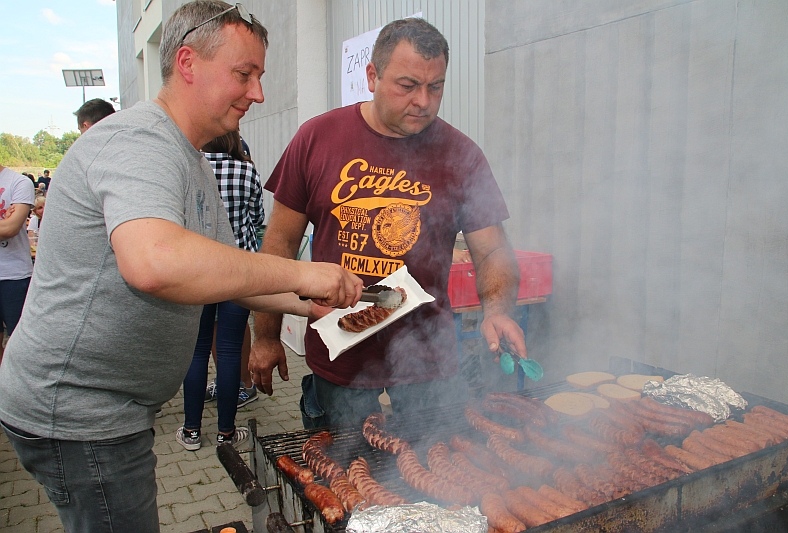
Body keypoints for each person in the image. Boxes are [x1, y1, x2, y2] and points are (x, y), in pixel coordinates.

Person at [0, 2, 362, 532]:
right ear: (188, 63)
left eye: (260, 77)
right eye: (245, 74)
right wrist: (304, 274)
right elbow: (154, 262)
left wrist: (326, 302)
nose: (257, 94)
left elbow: (236, 279)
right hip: (78, 414)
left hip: (113, 411)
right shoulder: (139, 140)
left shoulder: (191, 159)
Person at [250, 17, 524, 429]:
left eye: (436, 86)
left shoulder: (461, 154)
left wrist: (498, 309)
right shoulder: (317, 138)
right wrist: (267, 336)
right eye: (408, 85)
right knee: (343, 472)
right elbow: (280, 244)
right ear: (372, 76)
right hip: (339, 347)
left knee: (437, 466)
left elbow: (493, 250)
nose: (424, 102)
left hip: (428, 357)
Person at [178, 130, 264, 450]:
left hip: (197, 272)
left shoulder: (190, 167)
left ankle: (191, 431)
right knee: (229, 352)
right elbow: (257, 219)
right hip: (237, 271)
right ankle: (226, 433)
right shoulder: (246, 170)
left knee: (197, 351)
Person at [0, 164, 35, 364]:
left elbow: (11, 228)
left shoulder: (19, 182)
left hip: (14, 276)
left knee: (20, 343)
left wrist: (8, 224)